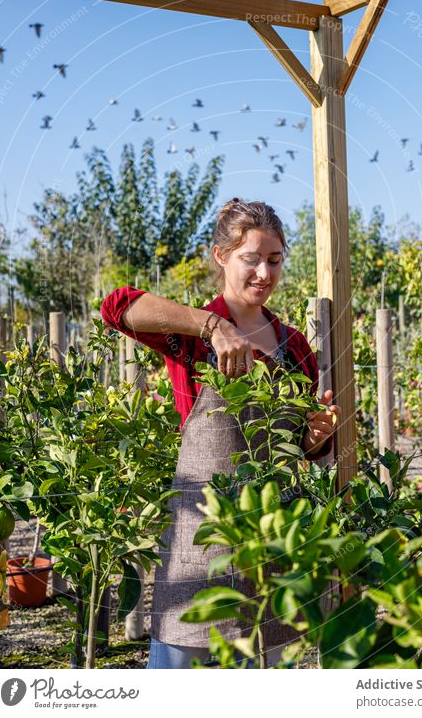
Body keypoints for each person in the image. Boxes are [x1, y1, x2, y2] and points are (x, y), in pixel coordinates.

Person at [100, 198, 339, 669]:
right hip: (200, 537)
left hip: (271, 540)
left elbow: (308, 450)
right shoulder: (188, 333)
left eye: (274, 260)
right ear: (221, 257)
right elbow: (116, 307)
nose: (264, 274)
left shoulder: (294, 346)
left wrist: (316, 436)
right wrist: (213, 326)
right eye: (251, 259)